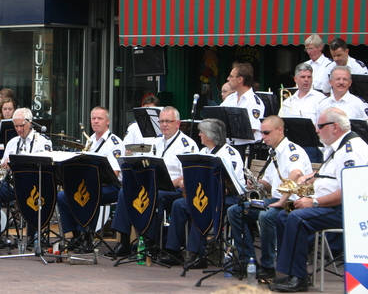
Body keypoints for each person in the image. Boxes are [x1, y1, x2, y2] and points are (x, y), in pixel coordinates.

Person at [270, 108, 368, 292]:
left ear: (334, 127)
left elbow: (348, 191)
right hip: (328, 205)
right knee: (283, 215)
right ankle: (287, 272)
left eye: (319, 126)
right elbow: (326, 175)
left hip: (345, 209)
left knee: (297, 218)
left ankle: (299, 278)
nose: (316, 130)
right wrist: (307, 180)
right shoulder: (338, 146)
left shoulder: (351, 150)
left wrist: (314, 202)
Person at [227, 116, 312, 282]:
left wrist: (281, 201)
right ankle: (248, 260)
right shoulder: (274, 152)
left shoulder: (292, 151)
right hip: (275, 200)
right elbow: (268, 182)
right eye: (262, 133)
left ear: (280, 130)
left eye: (266, 132)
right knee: (236, 210)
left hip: (293, 203)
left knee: (266, 215)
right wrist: (255, 184)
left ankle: (267, 266)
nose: (263, 136)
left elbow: (295, 175)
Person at [112, 106, 198, 255]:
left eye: (168, 121)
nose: (164, 125)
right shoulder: (156, 142)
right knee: (124, 192)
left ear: (177, 123)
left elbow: (190, 175)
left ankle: (149, 241)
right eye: (161, 121)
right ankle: (124, 242)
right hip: (154, 186)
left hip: (174, 189)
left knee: (154, 197)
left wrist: (169, 184)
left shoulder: (187, 144)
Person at [161, 118, 245, 268]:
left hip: (228, 197)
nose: (199, 134)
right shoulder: (203, 152)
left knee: (201, 205)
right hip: (206, 195)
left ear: (211, 136)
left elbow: (231, 185)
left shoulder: (230, 154)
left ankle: (198, 254)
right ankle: (173, 251)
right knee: (179, 204)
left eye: (202, 132)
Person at [0, 108, 52, 247]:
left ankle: (32, 235)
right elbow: (3, 166)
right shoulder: (12, 142)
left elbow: (46, 165)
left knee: (36, 194)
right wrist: (3, 165)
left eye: (21, 126)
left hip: (34, 185)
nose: (18, 129)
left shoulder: (41, 141)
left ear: (30, 123)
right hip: (14, 184)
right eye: (16, 126)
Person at [58, 106, 125, 250]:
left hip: (111, 187)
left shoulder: (115, 143)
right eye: (93, 118)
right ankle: (76, 236)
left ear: (107, 121)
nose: (96, 121)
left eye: (99, 118)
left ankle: (86, 236)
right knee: (62, 196)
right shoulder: (91, 141)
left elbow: (115, 174)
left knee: (89, 194)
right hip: (90, 185)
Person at [278, 63, 325, 162]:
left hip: (312, 148)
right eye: (303, 77)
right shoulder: (288, 101)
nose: (306, 79)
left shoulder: (321, 99)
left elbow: (324, 125)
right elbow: (279, 124)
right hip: (290, 146)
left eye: (309, 77)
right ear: (295, 79)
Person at [316, 66, 368, 136]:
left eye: (345, 79)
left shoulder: (359, 104)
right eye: (337, 79)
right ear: (330, 82)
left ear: (350, 82)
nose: (341, 82)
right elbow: (319, 130)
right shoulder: (322, 104)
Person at [221, 62, 265, 155]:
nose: (228, 79)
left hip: (245, 149)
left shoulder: (254, 102)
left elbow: (250, 130)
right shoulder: (230, 98)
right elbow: (219, 117)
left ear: (240, 79)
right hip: (229, 146)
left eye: (231, 76)